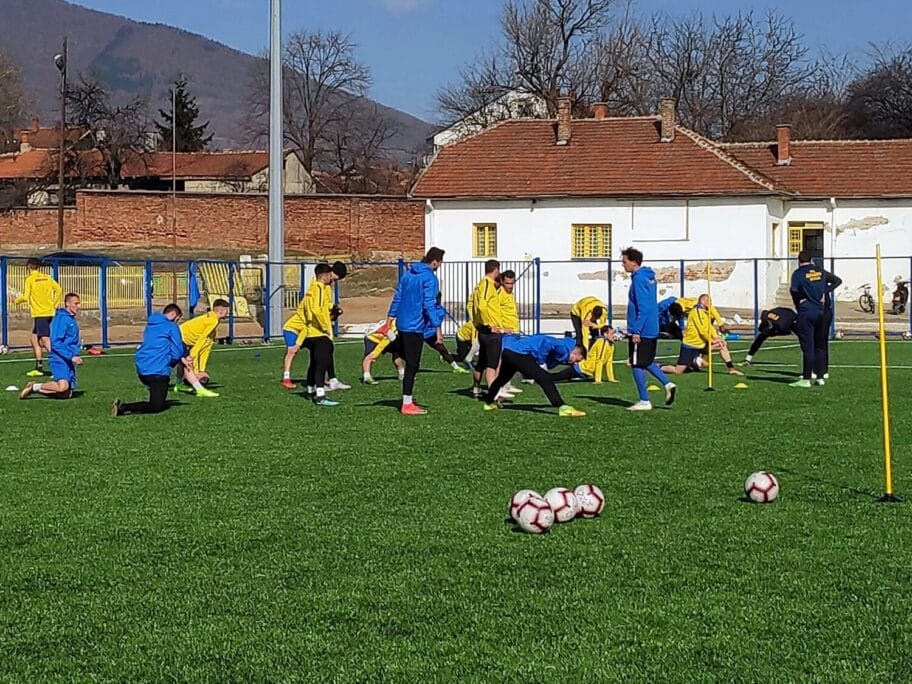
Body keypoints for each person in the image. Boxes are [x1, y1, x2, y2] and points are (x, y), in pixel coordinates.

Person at [112, 304, 209, 415]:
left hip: (142, 370)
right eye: (177, 319)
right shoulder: (172, 327)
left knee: (159, 399)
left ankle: (158, 400)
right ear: (173, 314)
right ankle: (124, 407)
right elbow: (177, 350)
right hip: (158, 372)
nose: (177, 322)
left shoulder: (151, 324)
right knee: (157, 406)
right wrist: (173, 361)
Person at [387, 247, 446, 415]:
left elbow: (398, 296)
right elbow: (429, 304)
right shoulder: (430, 278)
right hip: (415, 326)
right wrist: (437, 328)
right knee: (413, 364)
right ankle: (407, 403)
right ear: (435, 261)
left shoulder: (407, 274)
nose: (439, 266)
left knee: (407, 356)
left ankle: (393, 345)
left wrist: (390, 318)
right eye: (439, 263)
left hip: (402, 323)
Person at [622, 247, 677, 411]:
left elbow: (644, 307)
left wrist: (636, 330)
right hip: (651, 326)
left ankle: (644, 400)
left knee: (636, 363)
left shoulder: (639, 279)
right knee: (646, 361)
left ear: (633, 262)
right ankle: (668, 384)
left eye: (624, 262)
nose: (623, 265)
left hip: (643, 328)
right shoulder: (648, 277)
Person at [483, 334, 587, 417]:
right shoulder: (563, 348)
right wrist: (542, 363)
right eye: (577, 360)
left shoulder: (562, 345)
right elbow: (546, 344)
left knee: (501, 379)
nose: (574, 363)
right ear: (575, 352)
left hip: (509, 351)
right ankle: (562, 407)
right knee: (545, 378)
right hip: (520, 354)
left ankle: (489, 403)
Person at [299, 262, 347, 406]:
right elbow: (317, 310)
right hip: (318, 332)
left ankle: (310, 389)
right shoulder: (320, 288)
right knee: (321, 362)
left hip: (309, 331)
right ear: (326, 276)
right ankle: (320, 395)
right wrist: (325, 327)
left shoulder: (311, 288)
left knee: (314, 362)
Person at [660, 294, 743, 376]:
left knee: (722, 344)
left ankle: (731, 369)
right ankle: (658, 367)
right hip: (691, 345)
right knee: (678, 371)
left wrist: (717, 337)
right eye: (709, 302)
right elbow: (702, 331)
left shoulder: (703, 312)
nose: (711, 304)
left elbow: (708, 326)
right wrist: (713, 340)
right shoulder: (695, 312)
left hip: (701, 344)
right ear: (703, 302)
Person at [19, 293, 82, 400]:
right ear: (67, 304)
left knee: (66, 394)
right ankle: (34, 386)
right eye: (76, 303)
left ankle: (34, 388)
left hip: (67, 358)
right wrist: (71, 356)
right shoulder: (62, 319)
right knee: (63, 387)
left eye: (79, 303)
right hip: (59, 358)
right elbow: (56, 342)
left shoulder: (70, 319)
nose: (79, 306)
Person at [789, 251, 833, 388]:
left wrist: (799, 302)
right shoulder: (820, 271)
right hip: (821, 311)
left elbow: (794, 290)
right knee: (819, 346)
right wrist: (823, 292)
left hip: (806, 311)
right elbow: (830, 282)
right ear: (812, 259)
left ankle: (806, 379)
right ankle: (820, 377)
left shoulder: (798, 273)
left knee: (808, 347)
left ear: (798, 260)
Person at [14, 258, 62, 378]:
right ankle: (39, 367)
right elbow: (59, 290)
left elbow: (25, 297)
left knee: (45, 340)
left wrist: (16, 301)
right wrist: (54, 304)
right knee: (34, 338)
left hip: (40, 313)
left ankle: (60, 363)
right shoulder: (47, 277)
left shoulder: (30, 279)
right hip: (49, 312)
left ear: (29, 267)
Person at [470, 259, 512, 397]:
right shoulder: (487, 284)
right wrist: (489, 326)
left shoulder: (480, 285)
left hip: (484, 330)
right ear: (496, 270)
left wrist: (478, 324)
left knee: (482, 361)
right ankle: (494, 394)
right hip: (490, 332)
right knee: (492, 364)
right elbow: (481, 306)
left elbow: (472, 306)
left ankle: (476, 389)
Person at [178, 298, 229, 390]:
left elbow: (206, 347)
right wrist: (193, 356)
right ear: (221, 311)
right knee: (178, 361)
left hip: (181, 337)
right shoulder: (213, 321)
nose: (227, 313)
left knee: (182, 362)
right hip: (179, 338)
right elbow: (202, 339)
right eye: (226, 311)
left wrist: (202, 369)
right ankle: (197, 385)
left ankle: (180, 384)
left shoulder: (211, 318)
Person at [551, 326, 620, 384]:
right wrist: (598, 380)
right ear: (605, 334)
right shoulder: (602, 342)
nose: (614, 335)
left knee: (561, 377)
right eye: (612, 333)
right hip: (581, 369)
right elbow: (599, 361)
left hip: (586, 372)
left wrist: (611, 379)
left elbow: (609, 362)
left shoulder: (611, 345)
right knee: (558, 377)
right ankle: (542, 377)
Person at [422, 294, 471, 373]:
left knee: (443, 350)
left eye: (438, 298)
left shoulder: (441, 310)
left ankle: (456, 367)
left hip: (431, 334)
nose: (437, 300)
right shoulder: (425, 307)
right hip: (419, 332)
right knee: (411, 351)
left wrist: (439, 334)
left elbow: (438, 323)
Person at [361, 319, 404, 385]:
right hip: (372, 338)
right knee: (370, 356)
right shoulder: (392, 331)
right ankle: (367, 377)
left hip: (386, 335)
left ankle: (402, 373)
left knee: (396, 353)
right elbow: (386, 340)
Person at [819, 265, 842, 379]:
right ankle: (818, 370)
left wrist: (825, 291)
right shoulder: (804, 274)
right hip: (817, 310)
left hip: (822, 311)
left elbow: (837, 281)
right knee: (817, 341)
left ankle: (821, 370)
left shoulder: (821, 273)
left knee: (820, 341)